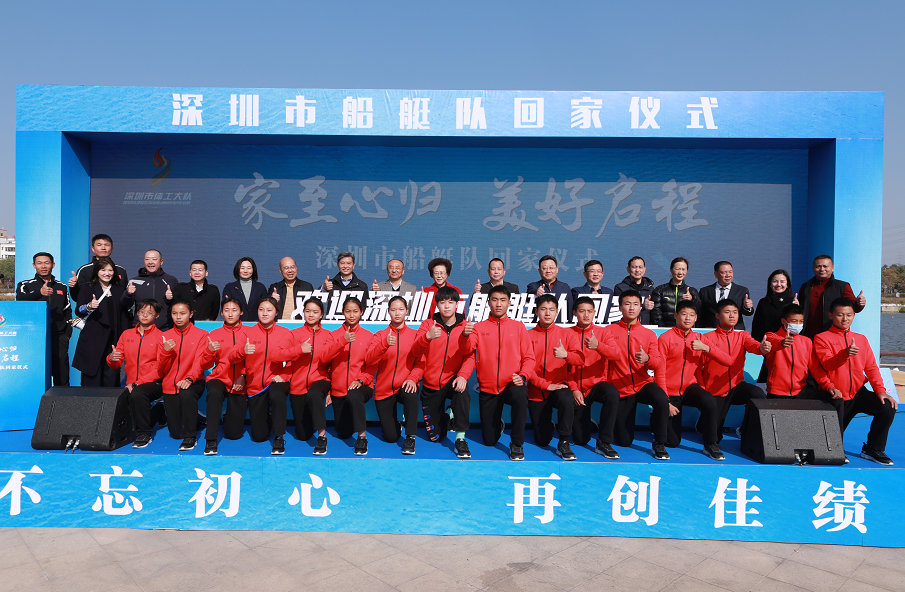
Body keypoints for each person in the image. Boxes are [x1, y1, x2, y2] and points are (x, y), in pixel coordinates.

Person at [813, 298, 897, 465]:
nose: (845, 318)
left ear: (853, 315)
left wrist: (880, 391)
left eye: (849, 315)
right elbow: (827, 364)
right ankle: (833, 449)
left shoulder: (861, 339)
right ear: (831, 315)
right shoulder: (821, 338)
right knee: (828, 442)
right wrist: (844, 354)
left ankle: (872, 448)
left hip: (858, 393)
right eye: (840, 315)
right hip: (835, 396)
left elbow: (871, 368)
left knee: (887, 406)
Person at [462, 285, 534, 461]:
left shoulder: (518, 327)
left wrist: (523, 376)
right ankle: (496, 424)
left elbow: (529, 358)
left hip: (511, 384)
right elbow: (467, 350)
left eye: (503, 300)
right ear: (488, 302)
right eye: (494, 300)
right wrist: (465, 336)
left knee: (521, 393)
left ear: (509, 303)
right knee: (489, 440)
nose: (498, 304)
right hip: (488, 388)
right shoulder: (478, 327)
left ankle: (517, 443)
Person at [657, 301, 733, 460]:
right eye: (684, 314)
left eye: (691, 315)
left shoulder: (700, 338)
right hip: (670, 391)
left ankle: (711, 444)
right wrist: (666, 401)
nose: (688, 318)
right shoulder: (665, 338)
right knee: (672, 442)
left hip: (689, 387)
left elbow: (728, 361)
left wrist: (706, 348)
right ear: (676, 315)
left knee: (708, 399)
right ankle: (656, 416)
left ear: (696, 318)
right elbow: (660, 371)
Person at [601, 290, 671, 460]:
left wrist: (647, 360)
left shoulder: (649, 334)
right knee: (624, 441)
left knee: (661, 398)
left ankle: (659, 443)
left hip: (642, 383)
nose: (631, 308)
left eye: (635, 304)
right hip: (620, 388)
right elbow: (603, 363)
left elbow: (657, 363)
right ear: (620, 307)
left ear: (641, 308)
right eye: (627, 304)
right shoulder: (608, 331)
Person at [413, 286, 474, 458]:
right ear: (437, 305)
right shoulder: (427, 325)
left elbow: (470, 355)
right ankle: (448, 414)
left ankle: (460, 439)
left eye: (451, 302)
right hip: (432, 384)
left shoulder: (466, 326)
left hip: (453, 380)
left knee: (462, 391)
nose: (447, 306)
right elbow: (415, 352)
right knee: (435, 437)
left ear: (457, 305)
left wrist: (462, 376)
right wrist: (427, 337)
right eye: (442, 302)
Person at [697, 299, 770, 440]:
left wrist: (761, 348)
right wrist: (702, 389)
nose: (732, 315)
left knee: (758, 395)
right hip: (715, 389)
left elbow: (754, 346)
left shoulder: (742, 335)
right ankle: (703, 424)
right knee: (714, 438)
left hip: (736, 386)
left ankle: (744, 429)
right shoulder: (706, 338)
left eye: (735, 312)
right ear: (717, 315)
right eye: (727, 312)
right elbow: (698, 367)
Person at [228, 297, 292, 454]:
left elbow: (293, 360)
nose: (264, 313)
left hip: (275, 381)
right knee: (259, 436)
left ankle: (279, 436)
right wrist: (243, 351)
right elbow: (232, 357)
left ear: (276, 312)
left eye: (269, 310)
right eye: (261, 309)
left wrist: (284, 376)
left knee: (277, 395)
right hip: (255, 386)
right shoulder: (248, 332)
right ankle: (268, 419)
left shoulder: (285, 333)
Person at [365, 296, 426, 454]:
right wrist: (384, 344)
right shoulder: (380, 335)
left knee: (411, 393)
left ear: (406, 311)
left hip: (405, 385)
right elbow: (369, 360)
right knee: (391, 437)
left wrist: (412, 378)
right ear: (388, 312)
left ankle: (410, 437)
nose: (397, 313)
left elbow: (421, 363)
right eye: (393, 309)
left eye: (400, 309)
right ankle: (396, 426)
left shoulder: (415, 335)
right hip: (384, 389)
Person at [273, 298, 334, 455]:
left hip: (320, 381)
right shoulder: (294, 334)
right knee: (302, 435)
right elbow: (276, 355)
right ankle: (308, 427)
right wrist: (299, 349)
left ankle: (322, 437)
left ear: (321, 315)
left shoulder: (329, 335)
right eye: (307, 311)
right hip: (298, 386)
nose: (311, 315)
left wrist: (331, 390)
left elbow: (333, 365)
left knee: (315, 393)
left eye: (315, 312)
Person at [526, 294, 582, 460]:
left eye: (551, 309)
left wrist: (567, 355)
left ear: (557, 312)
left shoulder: (566, 334)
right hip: (537, 390)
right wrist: (544, 384)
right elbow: (525, 367)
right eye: (543, 309)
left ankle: (564, 441)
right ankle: (548, 424)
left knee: (566, 397)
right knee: (542, 441)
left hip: (559, 386)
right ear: (536, 311)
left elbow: (580, 359)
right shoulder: (528, 335)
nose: (547, 313)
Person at [107, 299, 164, 449]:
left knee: (138, 394)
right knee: (130, 422)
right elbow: (116, 363)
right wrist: (112, 358)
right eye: (141, 312)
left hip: (154, 382)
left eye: (150, 313)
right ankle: (160, 410)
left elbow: (160, 369)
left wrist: (137, 383)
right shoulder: (127, 334)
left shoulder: (161, 337)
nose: (144, 315)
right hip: (131, 384)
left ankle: (144, 434)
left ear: (157, 315)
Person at [324, 297, 378, 455]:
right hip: (339, 390)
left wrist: (362, 380)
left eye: (355, 311)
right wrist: (343, 341)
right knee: (343, 433)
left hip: (362, 386)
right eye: (348, 311)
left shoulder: (369, 336)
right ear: (343, 312)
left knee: (354, 395)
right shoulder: (334, 335)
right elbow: (325, 359)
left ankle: (362, 437)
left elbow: (372, 364)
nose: (352, 315)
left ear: (361, 312)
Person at [568, 296, 620, 459]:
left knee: (612, 393)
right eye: (582, 311)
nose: (586, 315)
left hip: (597, 384)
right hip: (576, 388)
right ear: (575, 313)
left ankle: (604, 442)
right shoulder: (567, 333)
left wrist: (598, 346)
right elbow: (562, 367)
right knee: (581, 440)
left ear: (594, 312)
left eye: (589, 311)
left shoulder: (603, 332)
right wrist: (574, 389)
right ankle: (585, 422)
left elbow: (616, 354)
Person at [198, 298, 249, 455]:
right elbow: (205, 365)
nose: (230, 314)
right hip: (219, 378)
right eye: (226, 310)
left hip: (240, 381)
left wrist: (243, 375)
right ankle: (211, 439)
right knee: (213, 392)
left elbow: (254, 360)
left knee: (233, 434)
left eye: (234, 310)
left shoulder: (249, 332)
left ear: (241, 312)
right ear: (221, 313)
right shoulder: (214, 334)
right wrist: (209, 351)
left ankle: (228, 415)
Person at [156, 301, 208, 451]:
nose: (178, 317)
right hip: (170, 385)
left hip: (194, 382)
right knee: (176, 433)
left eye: (182, 313)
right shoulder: (165, 336)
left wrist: (189, 378)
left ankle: (190, 437)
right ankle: (196, 419)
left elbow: (199, 362)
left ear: (190, 314)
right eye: (174, 313)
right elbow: (161, 369)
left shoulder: (202, 335)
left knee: (187, 394)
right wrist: (165, 351)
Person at [72, 257, 130, 387]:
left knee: (111, 376)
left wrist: (124, 338)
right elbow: (78, 310)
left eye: (110, 270)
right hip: (92, 339)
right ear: (97, 271)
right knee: (91, 376)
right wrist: (89, 307)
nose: (107, 273)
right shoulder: (88, 288)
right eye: (103, 270)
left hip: (113, 339)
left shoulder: (119, 289)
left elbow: (124, 315)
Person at [16, 252, 72, 386]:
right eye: (39, 263)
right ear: (34, 265)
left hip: (59, 336)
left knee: (62, 375)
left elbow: (67, 311)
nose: (43, 266)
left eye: (47, 263)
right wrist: (39, 293)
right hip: (33, 337)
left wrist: (67, 334)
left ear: (53, 265)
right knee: (36, 372)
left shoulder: (62, 287)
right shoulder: (25, 285)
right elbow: (20, 301)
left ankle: (62, 399)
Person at [799, 255, 866, 338]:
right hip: (808, 335)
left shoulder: (842, 286)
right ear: (813, 268)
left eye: (825, 266)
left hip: (832, 335)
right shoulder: (806, 287)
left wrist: (859, 303)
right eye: (818, 266)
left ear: (832, 268)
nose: (822, 269)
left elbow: (854, 308)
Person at [751, 270, 797, 382]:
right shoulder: (763, 302)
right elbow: (756, 325)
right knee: (764, 379)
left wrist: (796, 309)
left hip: (783, 347)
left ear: (787, 284)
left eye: (782, 281)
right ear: (770, 284)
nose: (778, 284)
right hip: (765, 347)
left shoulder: (792, 302)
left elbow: (797, 327)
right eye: (775, 281)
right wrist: (757, 345)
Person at [123, 250, 179, 330]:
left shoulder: (171, 280)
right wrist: (128, 294)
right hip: (141, 329)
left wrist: (170, 299)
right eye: (147, 259)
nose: (150, 262)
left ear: (161, 262)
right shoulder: (134, 281)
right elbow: (125, 305)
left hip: (165, 329)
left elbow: (178, 306)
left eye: (154, 259)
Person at [68, 234, 128, 303]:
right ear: (93, 249)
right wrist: (74, 286)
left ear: (112, 249)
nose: (103, 248)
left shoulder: (120, 270)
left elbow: (125, 297)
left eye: (106, 245)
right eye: (99, 245)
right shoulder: (84, 270)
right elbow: (78, 298)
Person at [698, 261, 755, 330]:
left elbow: (748, 313)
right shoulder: (705, 291)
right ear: (716, 274)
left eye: (730, 272)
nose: (728, 275)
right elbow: (700, 314)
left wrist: (747, 307)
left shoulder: (742, 290)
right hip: (712, 330)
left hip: (735, 331)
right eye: (724, 272)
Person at [651, 257, 700, 328]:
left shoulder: (692, 291)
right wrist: (663, 328)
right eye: (677, 269)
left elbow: (699, 311)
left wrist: (692, 300)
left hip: (685, 330)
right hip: (665, 330)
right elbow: (655, 313)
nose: (680, 272)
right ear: (671, 269)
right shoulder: (660, 290)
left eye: (683, 269)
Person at [222, 257, 267, 323]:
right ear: (237, 269)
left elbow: (266, 305)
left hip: (256, 324)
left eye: (249, 268)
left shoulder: (260, 287)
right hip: (236, 324)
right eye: (242, 268)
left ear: (253, 270)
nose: (245, 271)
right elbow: (225, 306)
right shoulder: (230, 287)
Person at [269, 257, 314, 321]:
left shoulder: (307, 286)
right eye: (286, 268)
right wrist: (271, 300)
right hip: (279, 325)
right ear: (280, 270)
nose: (290, 270)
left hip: (301, 325)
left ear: (296, 268)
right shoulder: (275, 287)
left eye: (292, 267)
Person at [614, 256, 655, 325]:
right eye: (634, 267)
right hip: (626, 326)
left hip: (646, 327)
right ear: (628, 269)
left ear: (644, 269)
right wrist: (643, 306)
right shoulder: (620, 288)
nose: (637, 270)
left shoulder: (650, 288)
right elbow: (619, 309)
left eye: (640, 267)